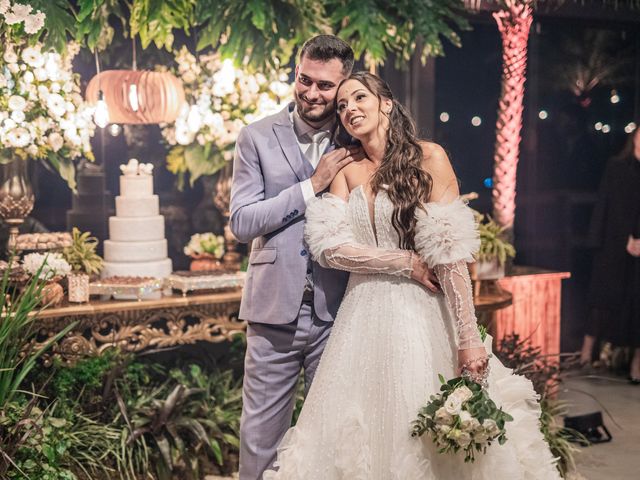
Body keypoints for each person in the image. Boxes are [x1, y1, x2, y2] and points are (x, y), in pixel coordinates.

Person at [263, 72, 560, 479]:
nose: (350, 109)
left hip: (421, 316)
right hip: (360, 318)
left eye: (359, 98)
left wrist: (469, 338)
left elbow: (449, 252)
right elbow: (328, 247)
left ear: (386, 103)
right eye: (343, 105)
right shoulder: (345, 168)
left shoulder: (429, 157)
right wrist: (404, 263)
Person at [230, 36, 440, 480]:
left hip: (340, 314)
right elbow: (243, 222)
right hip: (274, 314)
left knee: (338, 438)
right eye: (304, 80)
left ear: (343, 87)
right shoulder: (257, 137)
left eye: (326, 87)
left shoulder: (357, 139)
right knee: (260, 440)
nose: (311, 93)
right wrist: (311, 186)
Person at [580, 124, 640, 381]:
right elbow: (606, 204)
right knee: (602, 297)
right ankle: (585, 353)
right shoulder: (617, 166)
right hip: (613, 242)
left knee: (636, 303)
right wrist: (603, 239)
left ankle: (636, 364)